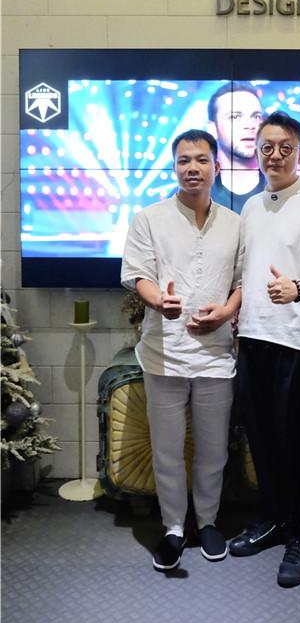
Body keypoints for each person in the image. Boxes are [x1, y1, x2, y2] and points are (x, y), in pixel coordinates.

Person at [229, 112, 300, 588]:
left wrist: (299, 288)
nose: (274, 155)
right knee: (262, 438)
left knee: (298, 443)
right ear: (257, 152)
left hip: (298, 342)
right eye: (267, 147)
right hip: (255, 338)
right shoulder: (251, 207)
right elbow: (246, 271)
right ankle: (273, 519)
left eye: (285, 147)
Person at [121, 129, 243, 573]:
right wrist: (159, 301)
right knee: (167, 450)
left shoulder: (235, 223)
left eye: (201, 159)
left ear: (216, 167)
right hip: (164, 353)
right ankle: (173, 527)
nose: (193, 168)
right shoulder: (148, 218)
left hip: (215, 354)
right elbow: (137, 273)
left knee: (213, 449)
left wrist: (226, 310)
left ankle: (207, 522)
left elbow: (242, 282)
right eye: (184, 160)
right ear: (174, 167)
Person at [207, 82, 266, 212]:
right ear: (213, 129)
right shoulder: (191, 196)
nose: (250, 125)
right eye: (235, 117)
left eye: (256, 116)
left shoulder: (285, 192)